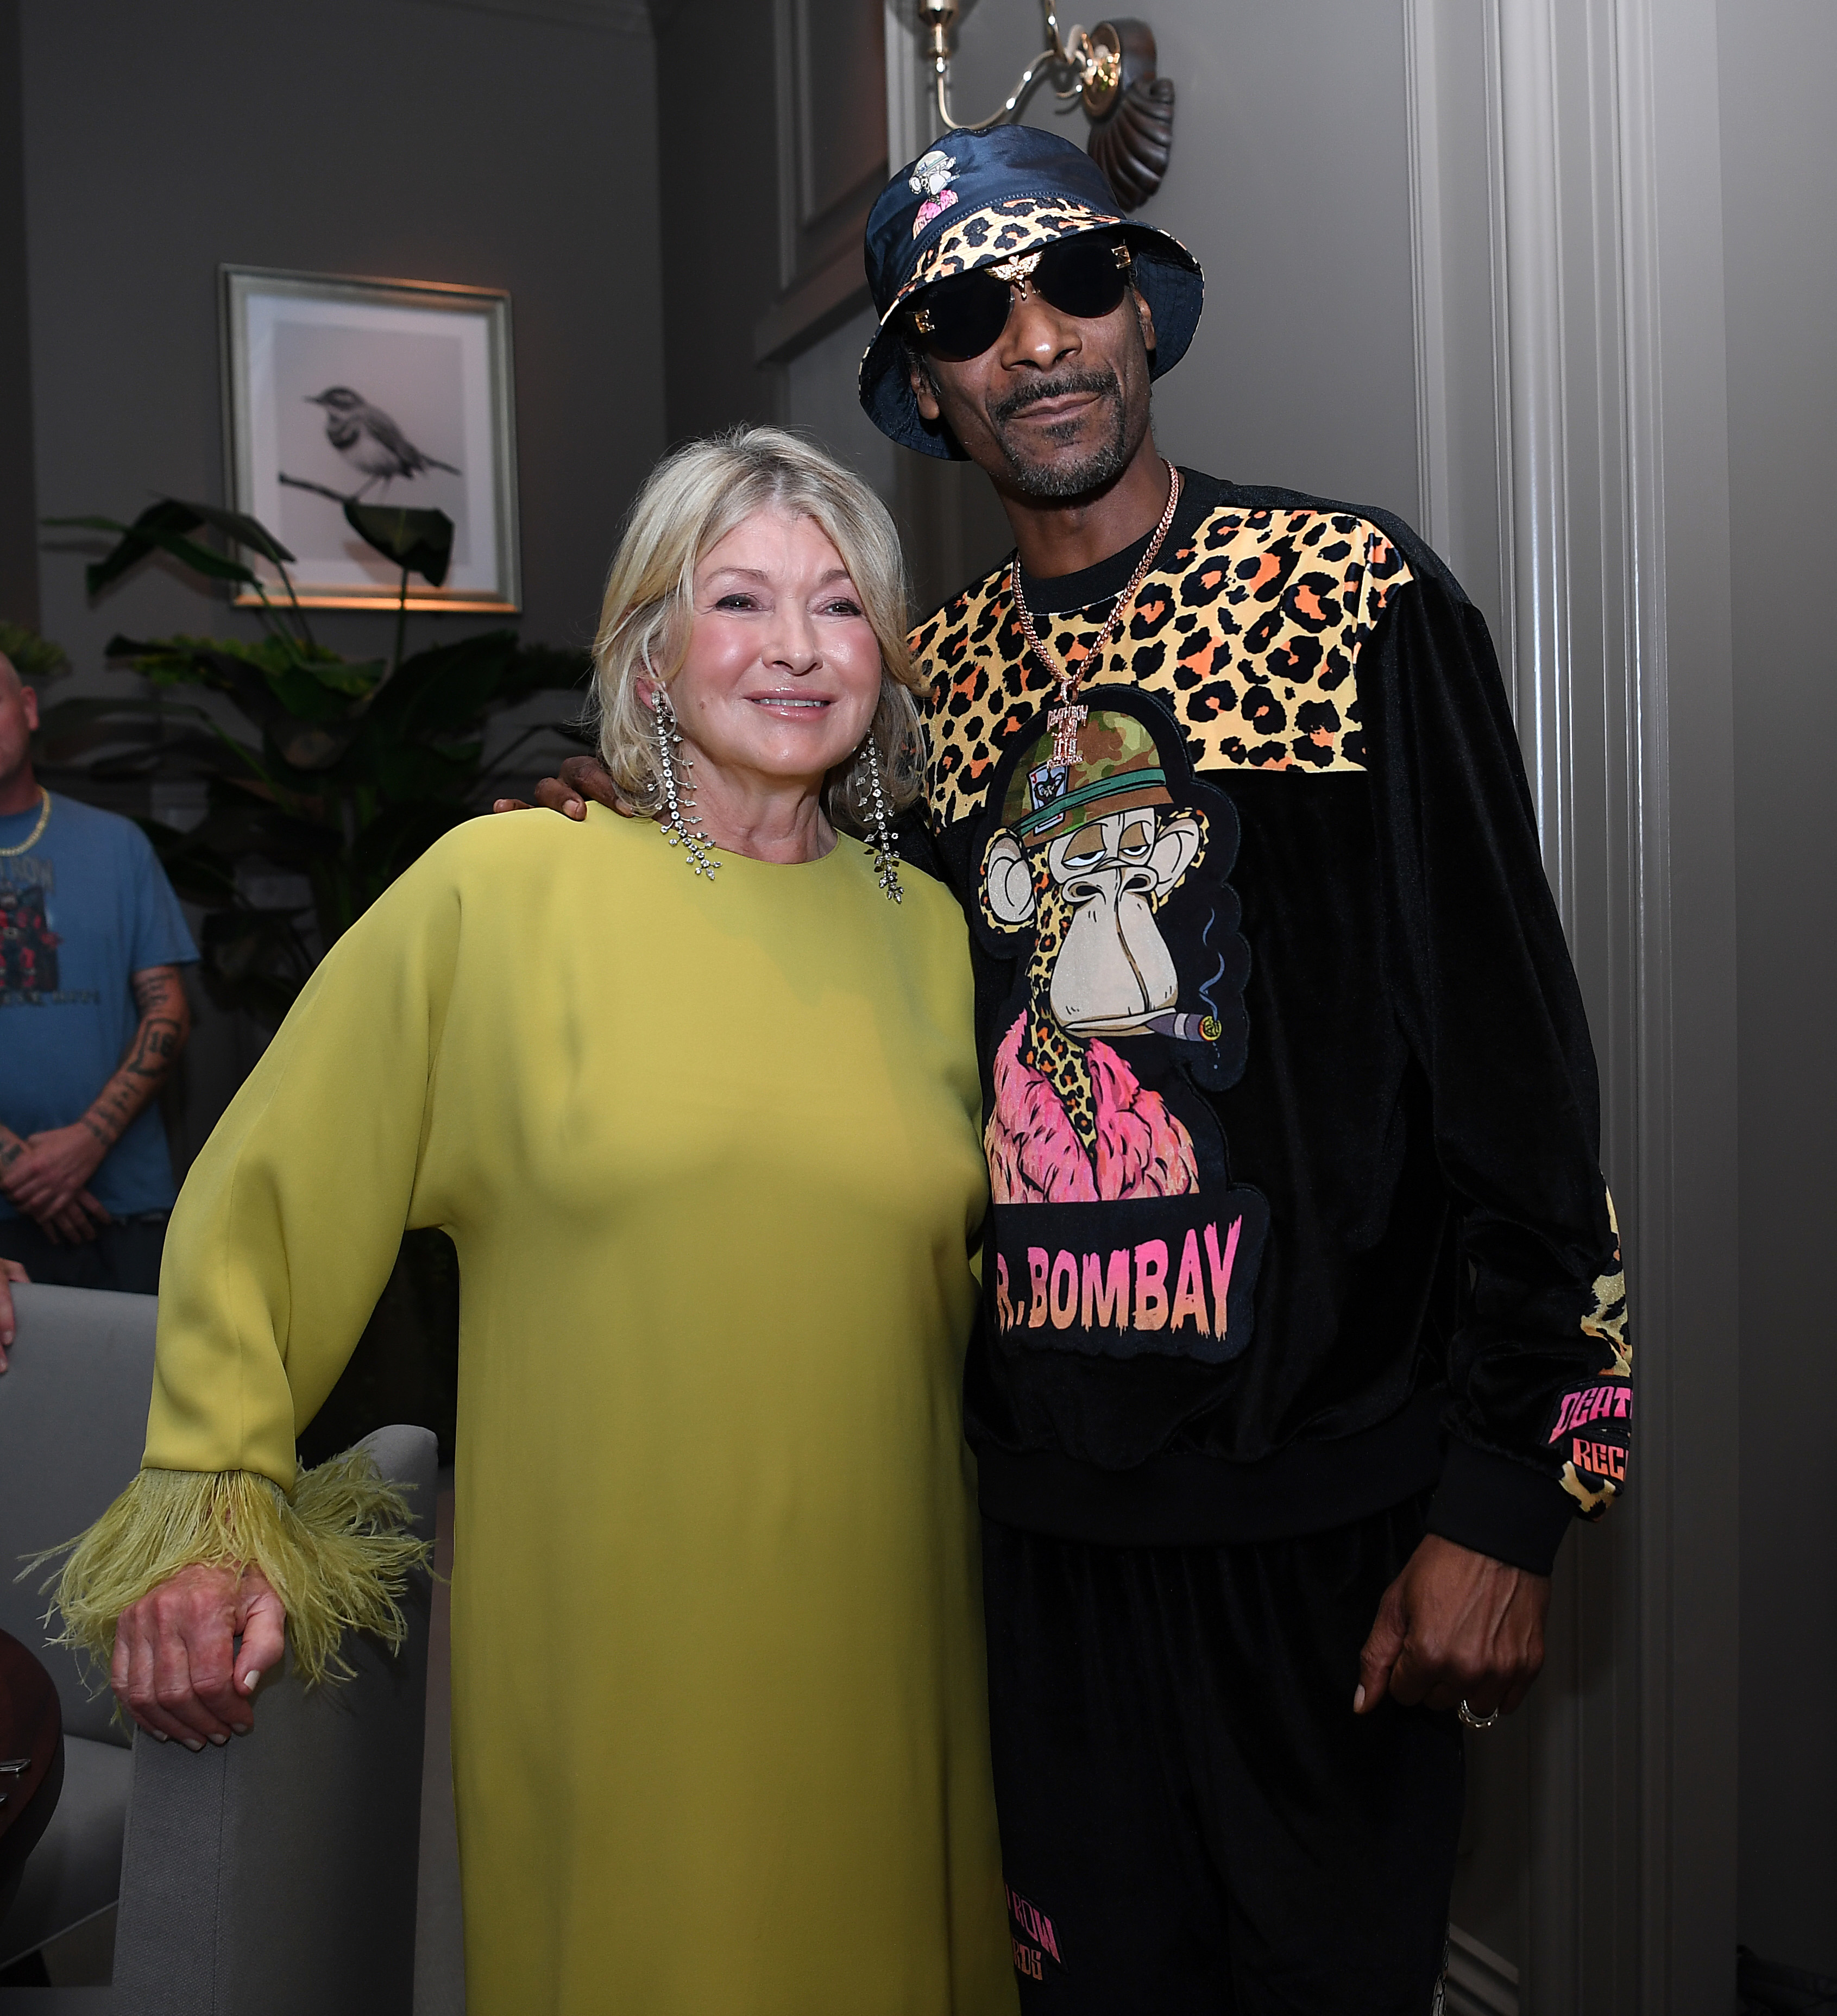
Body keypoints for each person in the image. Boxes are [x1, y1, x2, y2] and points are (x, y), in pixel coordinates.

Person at [515, 127, 1632, 2013]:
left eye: (1075, 283)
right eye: (969, 313)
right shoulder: (920, 687)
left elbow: (1518, 1070)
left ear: (1141, 313)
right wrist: (581, 800)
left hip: (1332, 1529)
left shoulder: (1347, 594)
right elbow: (772, 897)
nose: (1034, 340)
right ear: (928, 389)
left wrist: (1515, 1492)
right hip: (1031, 1542)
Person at [47, 432, 1017, 2016]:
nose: (792, 646)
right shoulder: (502, 890)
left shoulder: (932, 929)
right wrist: (209, 1493)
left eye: (839, 607)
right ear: (648, 650)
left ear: (885, 660)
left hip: (887, 1644)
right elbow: (276, 1182)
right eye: (738, 598)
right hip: (612, 1653)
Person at [0, 648, 196, 1295]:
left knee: (135, 1396)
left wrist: (87, 1141)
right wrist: (19, 1165)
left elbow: (167, 1009)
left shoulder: (118, 846)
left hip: (122, 1204)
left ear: (27, 708)